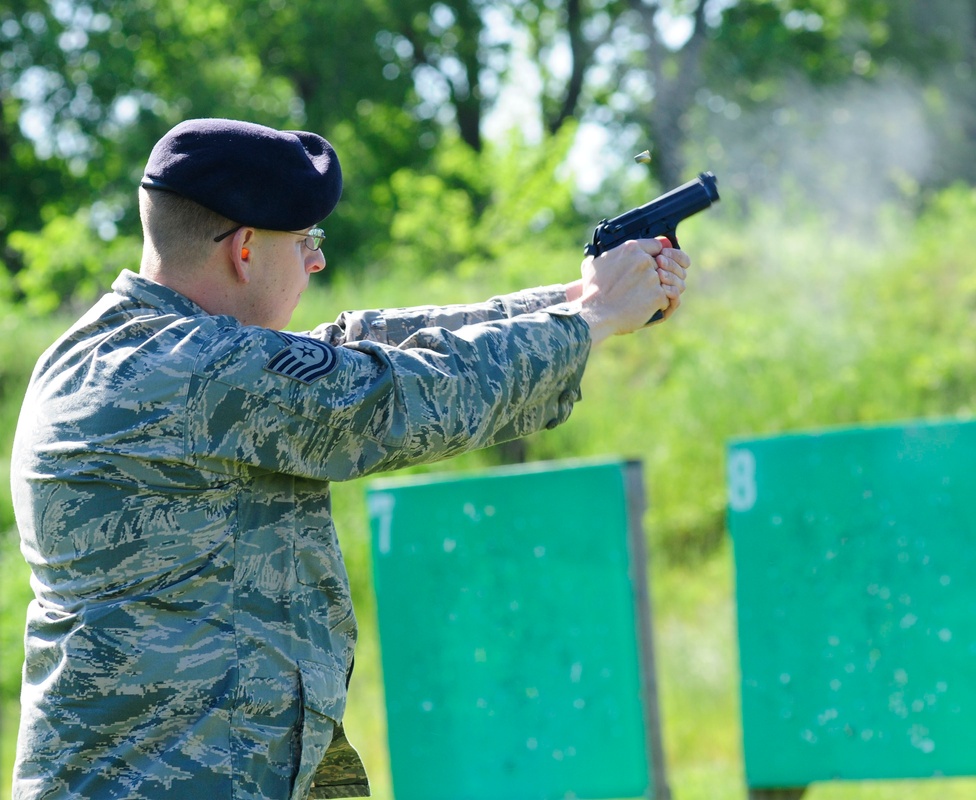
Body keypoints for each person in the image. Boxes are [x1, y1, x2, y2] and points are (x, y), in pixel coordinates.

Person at [10, 118, 691, 800]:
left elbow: (348, 351)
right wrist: (593, 318)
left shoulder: (129, 352)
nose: (317, 262)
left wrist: (574, 299)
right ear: (245, 250)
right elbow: (389, 394)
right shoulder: (195, 373)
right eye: (306, 241)